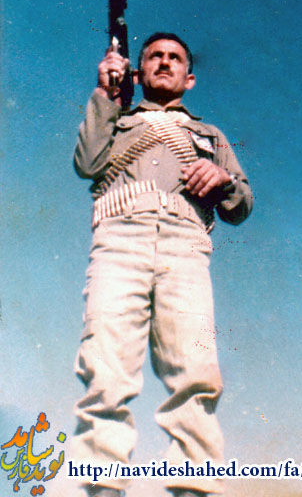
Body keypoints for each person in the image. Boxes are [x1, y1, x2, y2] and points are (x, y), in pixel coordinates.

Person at [72, 32, 253, 497]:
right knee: (105, 366)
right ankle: (101, 486)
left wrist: (223, 179)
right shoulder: (116, 121)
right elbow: (87, 163)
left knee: (196, 371)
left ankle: (194, 487)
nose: (165, 62)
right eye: (155, 56)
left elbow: (241, 206)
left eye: (175, 58)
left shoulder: (210, 136)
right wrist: (105, 93)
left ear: (189, 78)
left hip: (185, 246)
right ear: (138, 72)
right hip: (119, 240)